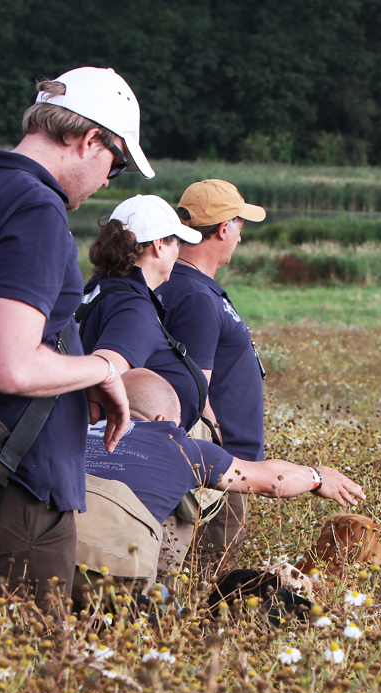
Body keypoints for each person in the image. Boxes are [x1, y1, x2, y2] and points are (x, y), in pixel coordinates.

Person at [0, 67, 154, 605]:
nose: (111, 180)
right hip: (18, 482)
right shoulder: (36, 208)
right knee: (33, 672)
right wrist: (106, 368)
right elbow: (15, 368)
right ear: (90, 140)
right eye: (117, 164)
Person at [84, 369, 364, 543]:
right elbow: (271, 481)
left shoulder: (68, 435)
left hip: (49, 557)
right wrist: (317, 477)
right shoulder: (180, 446)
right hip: (118, 567)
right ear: (161, 418)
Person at [156, 179, 269, 577]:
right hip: (215, 471)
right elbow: (191, 388)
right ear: (224, 229)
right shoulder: (195, 296)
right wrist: (217, 451)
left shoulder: (187, 286)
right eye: (240, 224)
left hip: (215, 465)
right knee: (205, 577)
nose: (240, 235)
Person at [78, 194, 207, 429]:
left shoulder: (98, 289)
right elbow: (103, 372)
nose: (178, 253)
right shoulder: (132, 307)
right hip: (127, 453)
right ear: (159, 246)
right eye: (176, 243)